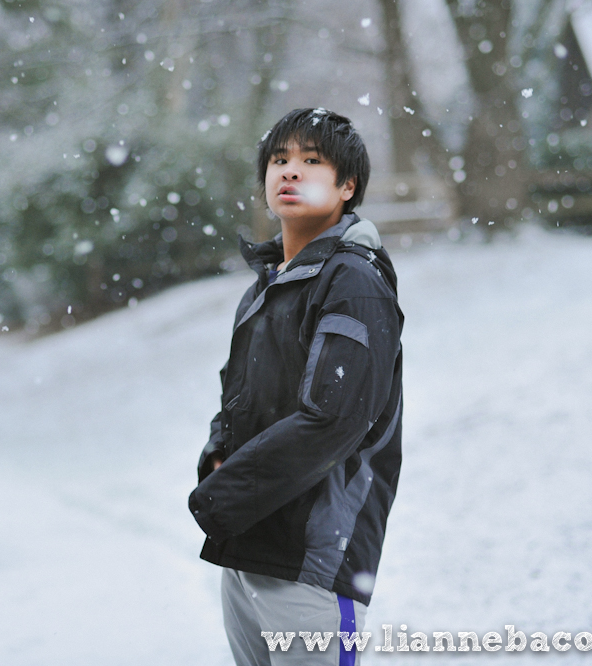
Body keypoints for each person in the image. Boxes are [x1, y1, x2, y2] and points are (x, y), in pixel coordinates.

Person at [188, 107, 403, 666]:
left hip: (314, 563)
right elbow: (237, 399)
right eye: (279, 160)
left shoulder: (354, 283)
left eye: (312, 161)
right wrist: (216, 457)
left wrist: (225, 495)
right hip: (249, 553)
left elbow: (332, 420)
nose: (290, 172)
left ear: (347, 185)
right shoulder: (269, 283)